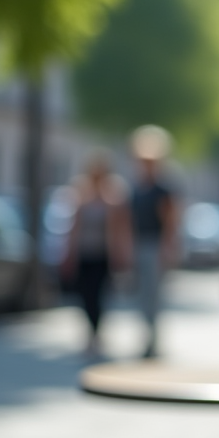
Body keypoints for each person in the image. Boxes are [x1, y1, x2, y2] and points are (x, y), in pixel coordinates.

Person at [63, 151, 131, 357]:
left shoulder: (114, 196)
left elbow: (121, 228)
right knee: (85, 295)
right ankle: (90, 332)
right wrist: (68, 253)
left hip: (103, 255)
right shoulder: (80, 193)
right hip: (84, 253)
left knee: (100, 294)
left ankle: (97, 333)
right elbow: (73, 227)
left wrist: (123, 254)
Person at [129, 125, 179, 358]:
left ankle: (153, 340)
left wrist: (167, 248)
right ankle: (146, 337)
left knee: (154, 295)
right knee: (141, 295)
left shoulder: (162, 190)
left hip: (155, 245)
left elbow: (170, 221)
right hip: (139, 244)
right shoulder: (137, 189)